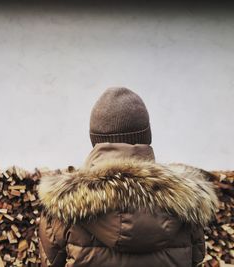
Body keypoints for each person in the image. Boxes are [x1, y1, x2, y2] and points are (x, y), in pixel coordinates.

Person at [38, 87, 218, 267]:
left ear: (95, 139)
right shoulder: (188, 204)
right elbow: (195, 260)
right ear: (146, 136)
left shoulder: (62, 207)